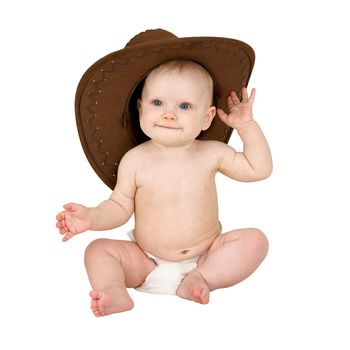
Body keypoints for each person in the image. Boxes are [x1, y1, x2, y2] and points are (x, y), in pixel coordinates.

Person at [56, 30, 272, 317]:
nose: (169, 114)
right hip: (145, 260)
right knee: (97, 250)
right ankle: (114, 290)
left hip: (207, 255)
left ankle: (203, 279)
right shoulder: (135, 160)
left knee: (255, 240)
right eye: (158, 103)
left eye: (184, 106)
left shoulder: (212, 153)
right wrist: (91, 217)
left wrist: (246, 126)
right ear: (140, 108)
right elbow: (119, 206)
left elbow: (259, 169)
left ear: (206, 117)